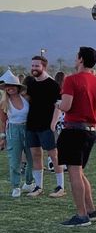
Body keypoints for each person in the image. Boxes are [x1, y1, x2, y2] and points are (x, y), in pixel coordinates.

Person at [56, 47, 96, 227]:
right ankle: (91, 211)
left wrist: (58, 104)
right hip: (90, 131)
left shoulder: (71, 80)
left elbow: (67, 106)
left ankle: (81, 215)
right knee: (80, 172)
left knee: (74, 173)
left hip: (74, 130)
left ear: (80, 60)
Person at [23, 55, 65, 198]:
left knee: (54, 155)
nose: (34, 68)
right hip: (31, 125)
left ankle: (60, 187)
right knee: (36, 155)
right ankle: (38, 186)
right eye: (32, 65)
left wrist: (53, 123)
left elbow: (58, 106)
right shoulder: (31, 84)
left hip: (47, 126)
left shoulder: (53, 85)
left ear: (44, 67)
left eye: (37, 66)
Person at [0, 70, 35, 197]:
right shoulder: (4, 103)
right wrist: (2, 137)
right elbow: (3, 122)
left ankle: (29, 182)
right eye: (7, 86)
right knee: (15, 160)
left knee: (31, 158)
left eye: (12, 85)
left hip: (28, 128)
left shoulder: (26, 98)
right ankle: (16, 186)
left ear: (17, 86)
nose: (10, 88)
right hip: (13, 131)